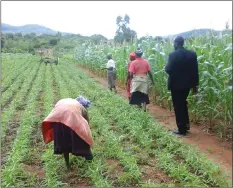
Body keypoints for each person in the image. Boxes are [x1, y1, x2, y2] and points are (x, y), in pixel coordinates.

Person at [41, 96, 94, 169]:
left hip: (57, 122)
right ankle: (89, 158)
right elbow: (86, 122)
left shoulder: (67, 101)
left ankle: (67, 164)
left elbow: (57, 109)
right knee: (82, 140)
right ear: (84, 105)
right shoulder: (82, 107)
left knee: (64, 143)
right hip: (70, 119)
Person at [165, 36, 199, 136]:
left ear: (176, 43)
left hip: (176, 85)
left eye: (174, 43)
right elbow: (195, 71)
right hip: (187, 85)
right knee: (183, 103)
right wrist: (195, 86)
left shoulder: (173, 55)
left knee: (178, 106)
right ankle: (186, 125)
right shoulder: (192, 54)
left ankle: (181, 129)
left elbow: (168, 69)